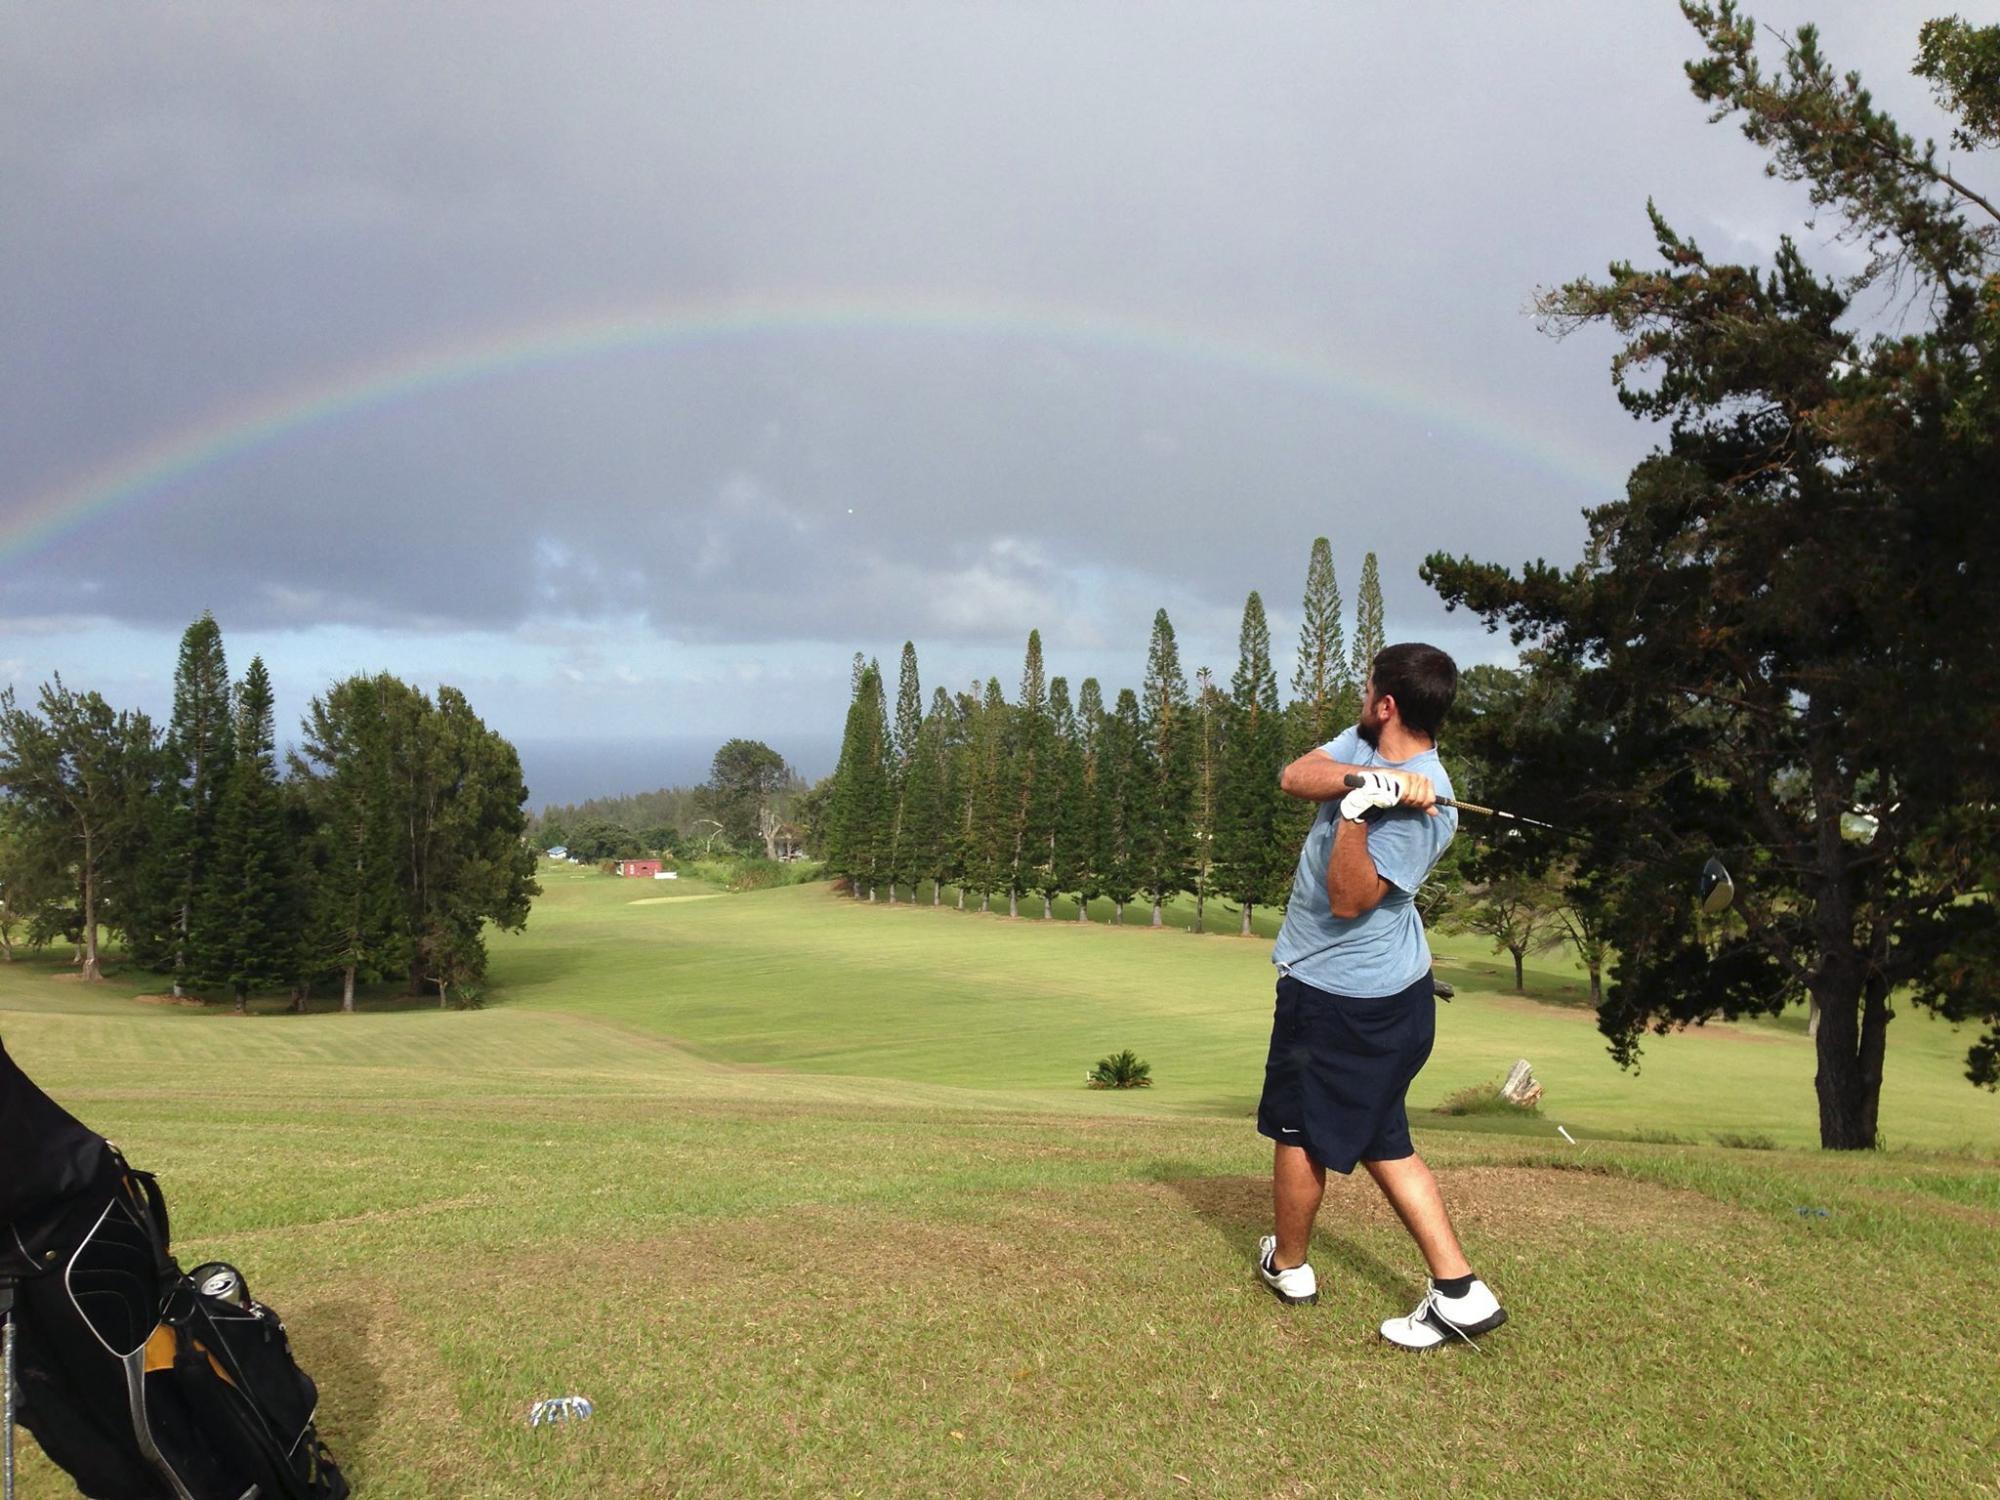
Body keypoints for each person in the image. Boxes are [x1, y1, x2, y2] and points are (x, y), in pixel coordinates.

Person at [1253, 641, 1506, 1350]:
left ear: (1387, 702)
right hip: (1382, 995)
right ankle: (1459, 1291)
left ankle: (1293, 1264)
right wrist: (1365, 777)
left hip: (1345, 999)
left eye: (1367, 690)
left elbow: (1346, 898)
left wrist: (1364, 811)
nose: (1361, 699)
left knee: (1299, 1126)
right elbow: (1295, 776)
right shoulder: (1365, 742)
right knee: (1382, 1136)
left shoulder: (1431, 809)